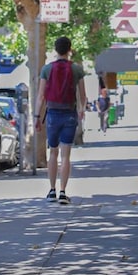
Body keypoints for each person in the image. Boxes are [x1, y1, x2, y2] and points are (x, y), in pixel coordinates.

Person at [35, 36, 86, 204]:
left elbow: (41, 96)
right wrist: (81, 110)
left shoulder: (47, 69)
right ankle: (63, 192)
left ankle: (51, 191)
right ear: (69, 49)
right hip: (69, 114)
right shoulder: (77, 69)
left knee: (53, 152)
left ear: (55, 50)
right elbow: (83, 96)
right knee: (65, 155)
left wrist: (36, 116)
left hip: (52, 115)